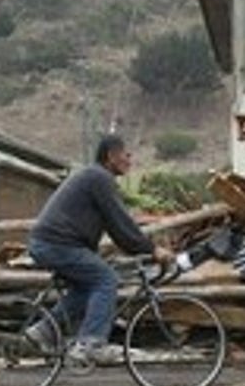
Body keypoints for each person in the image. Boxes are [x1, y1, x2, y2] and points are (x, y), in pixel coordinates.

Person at [27, 134, 174, 363]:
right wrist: (152, 249)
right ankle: (91, 343)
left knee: (87, 287)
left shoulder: (95, 177)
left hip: (50, 243)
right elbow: (121, 222)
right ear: (111, 156)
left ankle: (43, 330)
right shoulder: (100, 178)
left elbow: (117, 228)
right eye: (126, 154)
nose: (129, 160)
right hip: (56, 244)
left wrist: (140, 249)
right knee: (106, 279)